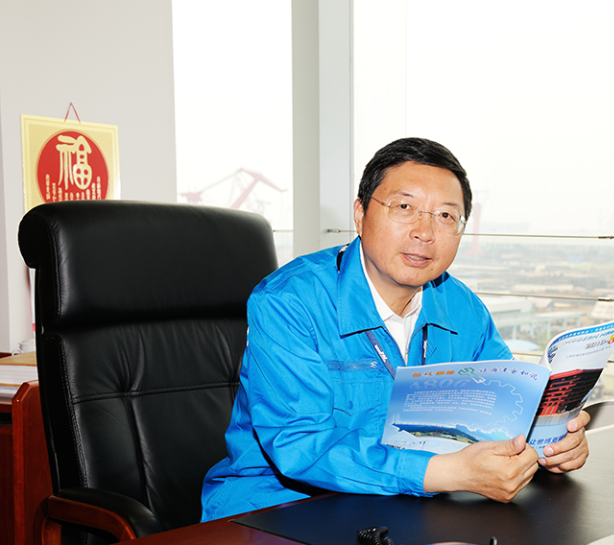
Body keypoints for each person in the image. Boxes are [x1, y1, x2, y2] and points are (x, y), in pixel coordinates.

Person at [201, 137, 589, 521]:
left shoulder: (463, 308)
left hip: (407, 509)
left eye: (446, 216)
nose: (425, 231)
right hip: (277, 509)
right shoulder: (289, 302)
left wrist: (547, 444)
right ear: (360, 213)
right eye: (405, 207)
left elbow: (505, 413)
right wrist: (445, 472)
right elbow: (299, 445)